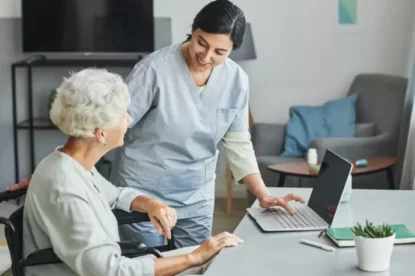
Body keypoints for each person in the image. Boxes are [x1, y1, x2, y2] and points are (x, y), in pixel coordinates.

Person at [10, 0, 304, 249]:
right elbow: (104, 125)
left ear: (232, 51)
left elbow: (238, 142)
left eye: (220, 52)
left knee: (194, 265)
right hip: (143, 192)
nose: (206, 56)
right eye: (201, 42)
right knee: (149, 266)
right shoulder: (154, 69)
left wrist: (264, 194)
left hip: (196, 194)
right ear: (193, 30)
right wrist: (59, 169)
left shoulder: (237, 80)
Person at [22, 68, 243, 276]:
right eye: (122, 115)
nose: (129, 119)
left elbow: (114, 195)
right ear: (101, 134)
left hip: (111, 266)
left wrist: (149, 203)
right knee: (208, 261)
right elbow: (111, 271)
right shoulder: (64, 185)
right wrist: (194, 257)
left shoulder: (73, 164)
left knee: (218, 257)